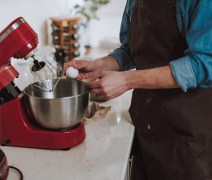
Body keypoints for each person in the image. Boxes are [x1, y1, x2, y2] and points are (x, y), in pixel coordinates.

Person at [64, 0, 212, 179]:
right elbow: (131, 49)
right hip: (145, 121)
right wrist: (100, 65)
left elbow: (203, 64)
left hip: (187, 130)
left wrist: (126, 80)